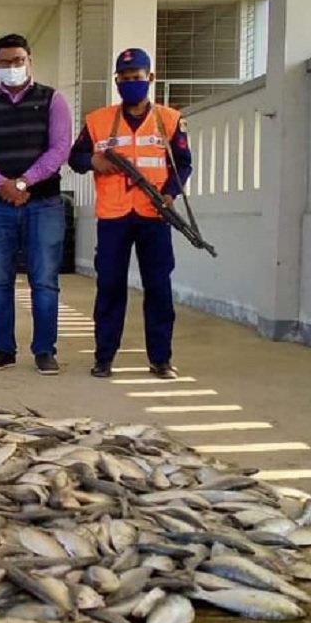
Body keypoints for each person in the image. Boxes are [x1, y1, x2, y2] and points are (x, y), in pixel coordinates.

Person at [68, 47, 193, 379]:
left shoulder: (169, 119)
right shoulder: (98, 121)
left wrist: (169, 194)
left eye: (136, 78)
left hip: (154, 216)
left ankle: (161, 359)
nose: (130, 84)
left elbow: (183, 164)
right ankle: (104, 357)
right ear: (117, 82)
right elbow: (75, 158)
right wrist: (95, 161)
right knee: (110, 287)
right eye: (124, 79)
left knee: (158, 288)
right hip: (114, 217)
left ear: (150, 78)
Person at [0, 34, 73, 376]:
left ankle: (44, 351)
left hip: (43, 204)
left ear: (29, 60)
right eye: (5, 62)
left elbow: (59, 149)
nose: (12, 67)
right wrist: (3, 185)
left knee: (44, 280)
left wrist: (24, 182)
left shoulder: (53, 100)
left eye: (17, 60)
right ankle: (2, 350)